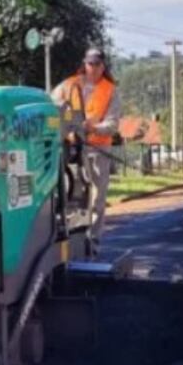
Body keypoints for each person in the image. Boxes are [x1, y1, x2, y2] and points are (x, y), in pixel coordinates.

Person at [52, 48, 121, 251]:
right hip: (72, 148)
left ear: (103, 66)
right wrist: (66, 127)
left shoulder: (110, 90)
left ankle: (93, 239)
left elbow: (113, 123)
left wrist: (94, 128)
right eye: (90, 64)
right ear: (85, 64)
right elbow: (52, 104)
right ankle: (68, 234)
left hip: (98, 149)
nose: (93, 68)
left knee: (97, 197)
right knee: (69, 192)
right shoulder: (69, 85)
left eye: (97, 64)